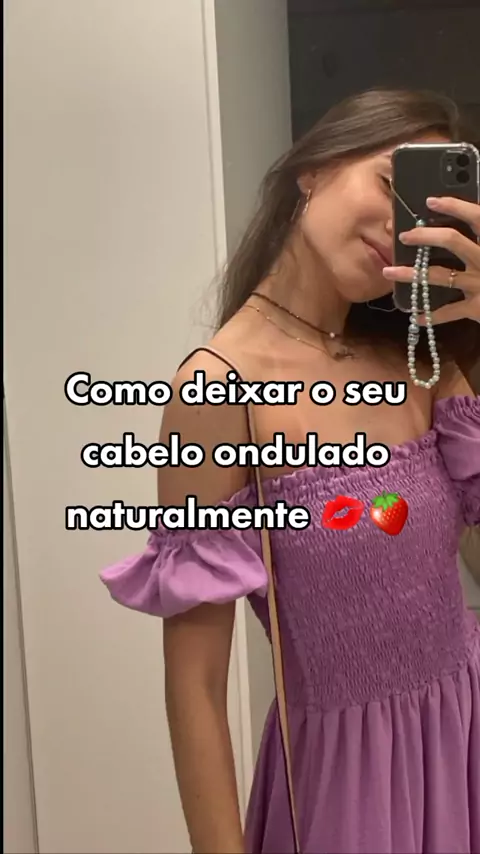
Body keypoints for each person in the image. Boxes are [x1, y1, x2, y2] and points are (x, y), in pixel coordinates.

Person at [100, 89, 480, 853]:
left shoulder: (420, 360)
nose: (398, 226)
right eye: (389, 182)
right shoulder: (220, 391)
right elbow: (196, 690)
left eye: (420, 212)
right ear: (313, 169)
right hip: (352, 790)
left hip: (466, 737)